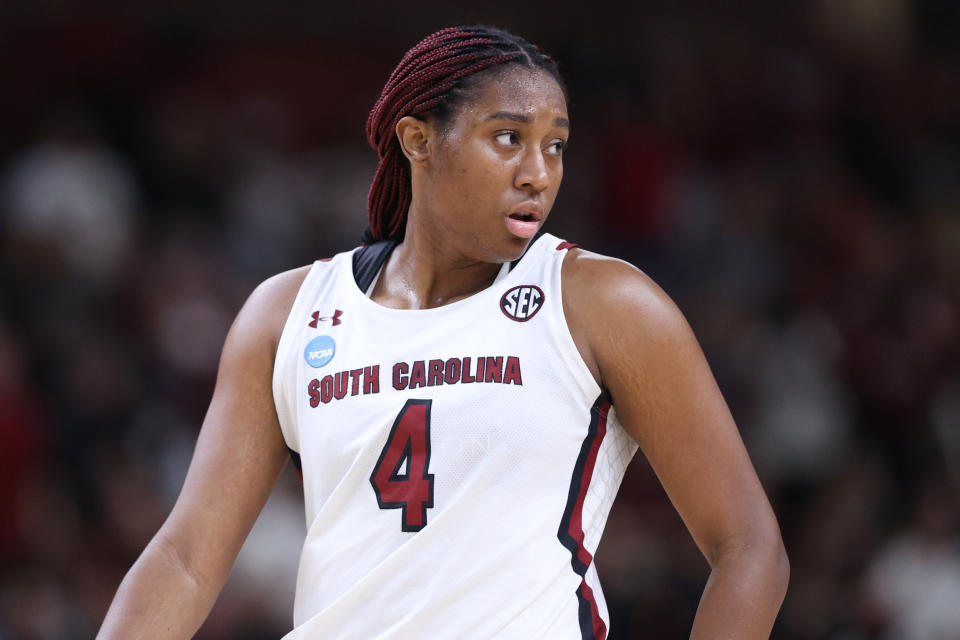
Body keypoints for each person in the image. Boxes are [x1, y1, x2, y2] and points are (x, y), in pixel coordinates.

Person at [98, 25, 789, 639]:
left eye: (556, 145)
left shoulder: (602, 302)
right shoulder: (290, 313)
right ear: (418, 140)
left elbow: (749, 547)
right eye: (509, 138)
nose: (537, 172)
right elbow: (185, 560)